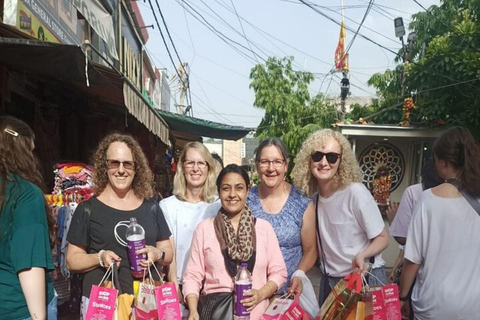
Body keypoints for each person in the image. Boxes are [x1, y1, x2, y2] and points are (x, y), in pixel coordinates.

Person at [66, 133, 173, 318]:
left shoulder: (152, 207)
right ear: (104, 166)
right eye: (114, 163)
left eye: (127, 164)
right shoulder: (87, 209)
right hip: (103, 304)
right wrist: (99, 258)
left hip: (146, 303)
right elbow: (72, 260)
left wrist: (157, 254)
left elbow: (168, 253)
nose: (121, 170)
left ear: (136, 168)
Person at [293, 129, 390, 306]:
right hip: (331, 282)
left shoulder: (355, 192)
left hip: (365, 279)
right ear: (309, 160)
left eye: (331, 157)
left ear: (341, 161)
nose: (324, 162)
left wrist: (363, 255)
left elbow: (383, 238)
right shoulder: (314, 200)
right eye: (317, 156)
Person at [183, 164, 287, 320]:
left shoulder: (264, 229)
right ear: (218, 191)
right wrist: (193, 311)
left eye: (239, 188)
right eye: (226, 188)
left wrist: (261, 294)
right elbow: (192, 276)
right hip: (215, 313)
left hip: (257, 314)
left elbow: (279, 272)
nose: (232, 194)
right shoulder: (205, 229)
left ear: (247, 190)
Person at [400, 127, 480, 320]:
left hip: (433, 304)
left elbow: (412, 259)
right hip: (474, 304)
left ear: (443, 163)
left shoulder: (428, 200)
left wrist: (402, 296)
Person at [0, 116, 57, 320]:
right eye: (32, 151)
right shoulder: (25, 194)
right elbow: (29, 262)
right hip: (19, 308)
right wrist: (38, 316)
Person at [247, 138, 316, 295]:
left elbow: (311, 250)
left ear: (286, 165)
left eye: (277, 162)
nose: (271, 168)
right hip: (252, 295)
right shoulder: (246, 201)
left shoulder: (301, 203)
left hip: (289, 294)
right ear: (257, 165)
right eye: (265, 162)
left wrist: (299, 274)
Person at [160, 142, 221, 313]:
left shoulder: (217, 205)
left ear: (208, 168)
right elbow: (168, 247)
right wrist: (174, 287)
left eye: (201, 163)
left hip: (210, 288)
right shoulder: (168, 206)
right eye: (190, 163)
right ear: (182, 167)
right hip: (178, 285)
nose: (196, 168)